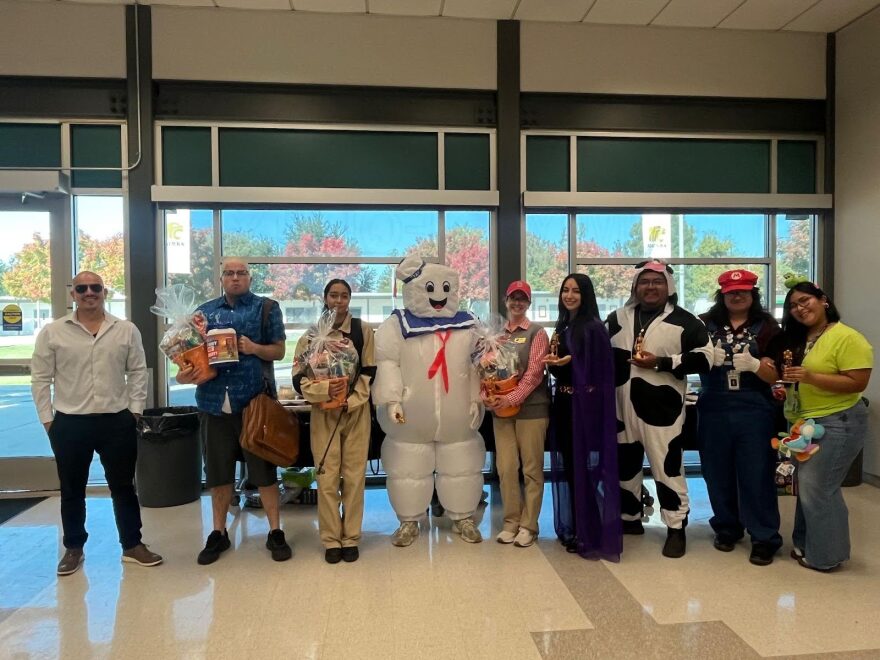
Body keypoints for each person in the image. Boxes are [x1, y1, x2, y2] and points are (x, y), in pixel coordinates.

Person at [31, 271, 162, 576]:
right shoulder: (53, 333)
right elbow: (40, 379)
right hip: (69, 423)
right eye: (82, 288)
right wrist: (48, 420)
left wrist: (135, 411)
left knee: (124, 487)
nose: (89, 292)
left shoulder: (126, 330)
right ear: (72, 294)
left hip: (117, 421)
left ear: (105, 292)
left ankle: (133, 545)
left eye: (96, 288)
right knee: (72, 489)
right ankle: (73, 548)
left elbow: (138, 372)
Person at [176, 257, 291, 564]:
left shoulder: (265, 308)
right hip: (214, 403)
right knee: (218, 473)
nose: (236, 277)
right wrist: (184, 373)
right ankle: (218, 533)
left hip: (254, 404)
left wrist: (253, 348)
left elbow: (279, 350)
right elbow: (188, 357)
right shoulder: (203, 313)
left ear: (250, 277)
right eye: (230, 273)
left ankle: (275, 531)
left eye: (241, 273)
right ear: (222, 277)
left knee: (264, 472)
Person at [373, 256, 485, 547]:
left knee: (462, 465)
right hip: (411, 417)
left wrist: (476, 398)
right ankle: (409, 521)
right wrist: (392, 400)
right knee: (407, 469)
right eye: (432, 287)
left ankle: (463, 517)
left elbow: (478, 366)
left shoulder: (469, 325)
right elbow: (388, 364)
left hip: (457, 416)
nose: (439, 295)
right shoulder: (397, 326)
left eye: (446, 287)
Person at [606, 260, 713, 558]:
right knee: (624, 468)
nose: (650, 287)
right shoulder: (617, 318)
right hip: (621, 408)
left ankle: (676, 527)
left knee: (667, 470)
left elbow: (707, 358)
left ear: (669, 286)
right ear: (635, 286)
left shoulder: (686, 321)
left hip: (662, 412)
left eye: (657, 282)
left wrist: (663, 363)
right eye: (644, 281)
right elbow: (598, 354)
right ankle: (630, 519)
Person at [773, 276, 872, 572]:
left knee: (819, 487)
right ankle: (805, 543)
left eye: (805, 300)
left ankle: (827, 556)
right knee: (808, 485)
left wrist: (809, 377)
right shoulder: (802, 340)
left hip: (838, 421)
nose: (800, 308)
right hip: (806, 424)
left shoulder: (847, 337)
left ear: (823, 300)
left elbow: (858, 382)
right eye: (793, 306)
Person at [697, 269, 782, 565]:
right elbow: (689, 358)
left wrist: (756, 365)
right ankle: (727, 527)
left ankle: (764, 536)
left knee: (756, 472)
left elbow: (776, 375)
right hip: (713, 406)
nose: (737, 295)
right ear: (722, 294)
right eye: (732, 291)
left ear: (752, 293)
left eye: (743, 290)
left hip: (754, 407)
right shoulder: (704, 324)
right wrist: (708, 361)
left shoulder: (768, 326)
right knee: (716, 471)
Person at [292, 279, 375, 564]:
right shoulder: (312, 335)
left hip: (355, 412)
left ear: (350, 299)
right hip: (323, 415)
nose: (339, 301)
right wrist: (324, 392)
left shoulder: (362, 331)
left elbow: (369, 372)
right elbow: (298, 378)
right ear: (325, 298)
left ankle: (351, 536)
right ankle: (330, 539)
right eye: (333, 295)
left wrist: (351, 401)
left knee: (353, 476)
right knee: (326, 477)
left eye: (344, 296)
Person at [544, 273, 622, 561]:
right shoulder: (563, 327)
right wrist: (556, 364)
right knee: (571, 469)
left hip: (584, 408)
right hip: (564, 405)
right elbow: (560, 368)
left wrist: (571, 363)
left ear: (586, 295)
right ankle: (578, 526)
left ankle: (591, 530)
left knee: (584, 469)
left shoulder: (593, 328)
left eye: (576, 291)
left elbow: (600, 372)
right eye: (565, 290)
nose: (569, 295)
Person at [482, 280, 550, 549]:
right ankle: (511, 521)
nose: (517, 303)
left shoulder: (537, 333)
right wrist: (487, 395)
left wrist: (509, 398)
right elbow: (486, 371)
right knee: (506, 468)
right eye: (513, 298)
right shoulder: (495, 336)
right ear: (505, 300)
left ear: (529, 303)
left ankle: (529, 525)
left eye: (523, 299)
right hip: (501, 411)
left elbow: (534, 375)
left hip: (531, 410)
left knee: (532, 470)